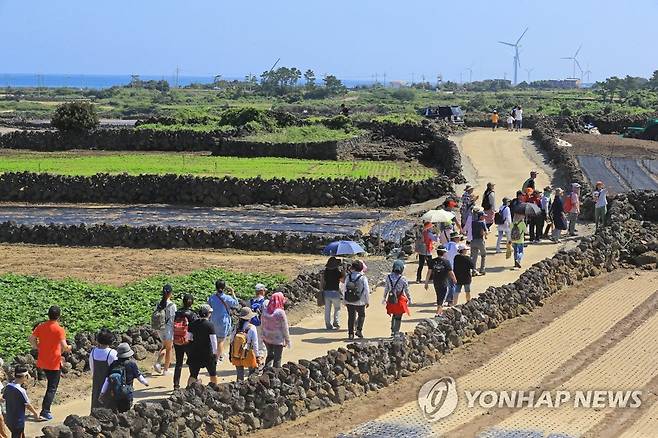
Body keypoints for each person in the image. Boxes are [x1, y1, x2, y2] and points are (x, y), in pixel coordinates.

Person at [29, 305, 71, 421]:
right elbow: (64, 346)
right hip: (54, 363)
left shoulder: (41, 326)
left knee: (49, 386)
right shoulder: (59, 329)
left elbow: (31, 338)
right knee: (52, 388)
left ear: (48, 315)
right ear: (58, 316)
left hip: (43, 361)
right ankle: (45, 411)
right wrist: (68, 348)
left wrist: (37, 347)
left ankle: (45, 410)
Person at [99, 343, 148, 413]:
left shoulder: (113, 364)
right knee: (126, 414)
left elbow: (107, 380)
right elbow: (139, 377)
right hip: (127, 394)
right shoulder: (132, 364)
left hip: (115, 395)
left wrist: (102, 393)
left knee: (117, 413)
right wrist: (146, 383)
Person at [3, 366, 40, 438]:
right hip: (18, 421)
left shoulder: (8, 386)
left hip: (9, 419)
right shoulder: (21, 390)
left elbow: (3, 398)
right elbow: (27, 404)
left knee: (19, 434)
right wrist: (36, 414)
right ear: (25, 377)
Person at [186, 304, 218, 386]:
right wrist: (215, 353)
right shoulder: (210, 325)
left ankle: (188, 391)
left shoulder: (192, 324)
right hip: (208, 352)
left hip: (195, 352)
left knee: (193, 375)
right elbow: (213, 341)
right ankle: (215, 389)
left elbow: (188, 338)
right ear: (208, 313)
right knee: (213, 374)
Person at [208, 280, 240, 361]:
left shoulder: (212, 297)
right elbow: (236, 303)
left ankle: (215, 354)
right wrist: (232, 292)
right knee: (221, 340)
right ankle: (217, 358)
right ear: (224, 287)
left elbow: (209, 307)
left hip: (213, 320)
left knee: (214, 340)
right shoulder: (227, 298)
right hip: (223, 321)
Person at [89, 328, 117, 411]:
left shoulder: (93, 352)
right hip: (109, 383)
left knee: (96, 401)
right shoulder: (112, 353)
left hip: (97, 381)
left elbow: (92, 368)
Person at [172, 294, 197, 390]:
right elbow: (195, 328)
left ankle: (176, 385)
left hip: (177, 340)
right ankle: (191, 384)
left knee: (179, 363)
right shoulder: (192, 314)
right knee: (191, 362)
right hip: (188, 341)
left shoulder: (177, 313)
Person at [230, 307, 261, 381]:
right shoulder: (252, 327)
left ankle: (239, 387)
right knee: (252, 372)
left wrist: (230, 353)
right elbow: (255, 343)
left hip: (237, 352)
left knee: (239, 374)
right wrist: (257, 356)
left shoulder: (236, 326)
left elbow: (231, 340)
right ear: (250, 318)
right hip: (248, 352)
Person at [261, 292, 291, 368]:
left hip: (267, 338)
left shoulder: (265, 310)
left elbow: (262, 324)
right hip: (278, 339)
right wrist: (287, 340)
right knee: (277, 358)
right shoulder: (280, 312)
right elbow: (285, 327)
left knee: (270, 355)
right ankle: (275, 375)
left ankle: (266, 372)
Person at [425, 246, 456, 316]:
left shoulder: (432, 261)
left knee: (439, 297)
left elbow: (429, 272)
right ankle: (438, 313)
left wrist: (426, 282)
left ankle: (440, 312)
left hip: (436, 282)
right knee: (442, 299)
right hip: (444, 282)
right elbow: (451, 272)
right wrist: (455, 280)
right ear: (444, 253)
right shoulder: (446, 262)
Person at [383, 260, 411, 337]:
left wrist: (384, 298)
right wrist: (409, 298)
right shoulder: (403, 278)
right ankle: (396, 332)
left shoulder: (388, 277)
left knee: (394, 314)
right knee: (398, 316)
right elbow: (406, 290)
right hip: (400, 300)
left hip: (391, 299)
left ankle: (392, 330)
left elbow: (386, 288)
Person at [153, 284, 176, 376]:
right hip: (168, 329)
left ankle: (158, 363)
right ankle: (165, 370)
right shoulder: (172, 305)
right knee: (169, 349)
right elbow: (173, 318)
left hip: (160, 328)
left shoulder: (159, 304)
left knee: (165, 346)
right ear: (170, 293)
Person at [343, 260, 370, 340]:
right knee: (361, 315)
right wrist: (367, 301)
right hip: (360, 301)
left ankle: (350, 334)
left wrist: (344, 300)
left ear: (353, 268)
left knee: (351, 317)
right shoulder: (363, 278)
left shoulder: (348, 276)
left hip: (349, 300)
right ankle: (359, 330)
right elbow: (366, 290)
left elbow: (344, 288)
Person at [321, 257, 345, 330]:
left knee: (327, 309)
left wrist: (321, 290)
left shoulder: (325, 271)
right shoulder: (337, 272)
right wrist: (343, 273)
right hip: (335, 292)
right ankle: (336, 322)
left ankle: (328, 325)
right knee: (337, 308)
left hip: (326, 292)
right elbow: (343, 281)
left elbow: (322, 282)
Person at [249, 284, 268, 363]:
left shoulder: (251, 301)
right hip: (261, 324)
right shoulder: (265, 302)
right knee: (262, 344)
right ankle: (260, 360)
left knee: (253, 342)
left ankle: (253, 358)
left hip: (251, 324)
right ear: (261, 291)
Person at [470, 210, 488, 276]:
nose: (484, 217)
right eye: (483, 216)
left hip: (473, 240)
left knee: (474, 257)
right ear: (480, 216)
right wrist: (486, 234)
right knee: (483, 255)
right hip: (480, 241)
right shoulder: (482, 223)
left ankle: (473, 270)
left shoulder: (472, 222)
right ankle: (482, 269)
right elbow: (486, 231)